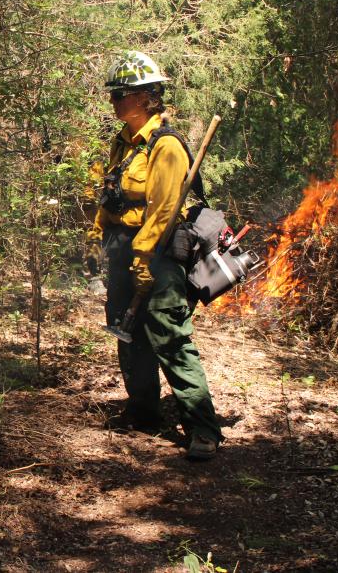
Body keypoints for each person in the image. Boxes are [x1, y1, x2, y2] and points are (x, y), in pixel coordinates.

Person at [86, 50, 222, 461]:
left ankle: (203, 428)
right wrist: (97, 232)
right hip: (122, 249)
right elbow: (112, 194)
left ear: (147, 97)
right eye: (113, 94)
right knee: (127, 334)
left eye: (121, 94)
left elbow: (164, 209)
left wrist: (144, 259)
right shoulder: (123, 142)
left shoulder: (167, 146)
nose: (114, 101)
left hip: (158, 252)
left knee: (170, 338)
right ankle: (143, 413)